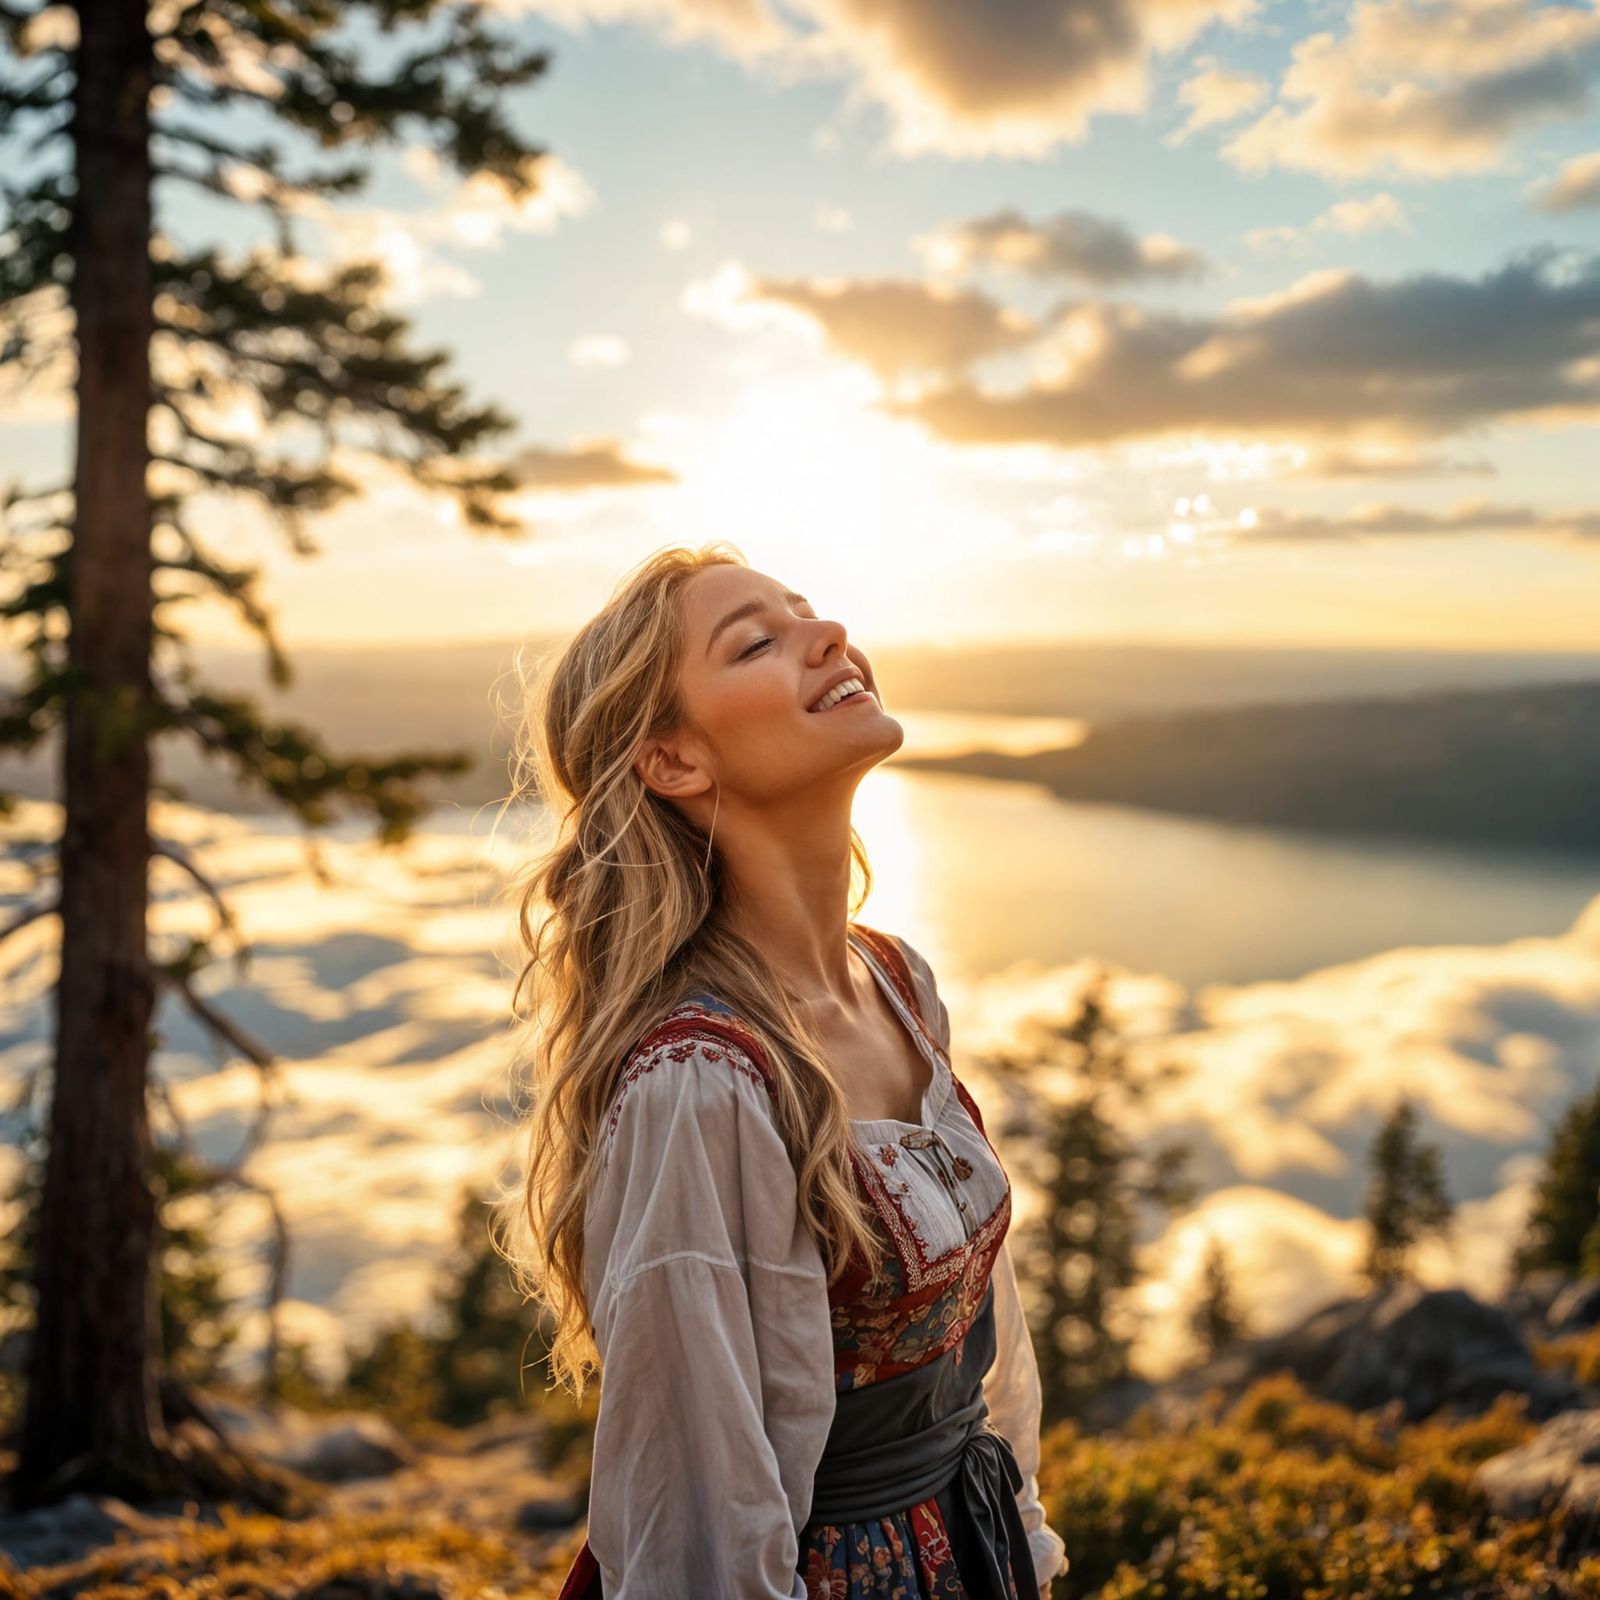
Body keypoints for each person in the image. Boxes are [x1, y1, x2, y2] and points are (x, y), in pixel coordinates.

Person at [491, 542, 1070, 1598]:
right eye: (757, 640)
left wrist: (1016, 1533)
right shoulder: (696, 1084)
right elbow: (697, 1507)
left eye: (808, 611)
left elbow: (986, 1353)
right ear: (673, 760)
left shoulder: (896, 981)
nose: (829, 635)